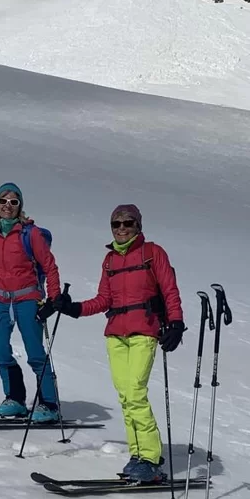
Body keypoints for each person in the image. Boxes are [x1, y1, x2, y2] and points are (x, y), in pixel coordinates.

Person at [49, 204, 185, 483]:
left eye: (128, 223)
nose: (122, 228)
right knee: (125, 396)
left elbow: (170, 290)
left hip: (144, 332)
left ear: (138, 225)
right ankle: (137, 455)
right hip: (115, 335)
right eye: (116, 224)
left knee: (135, 392)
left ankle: (150, 458)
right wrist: (73, 308)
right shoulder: (110, 260)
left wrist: (176, 324)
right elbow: (104, 300)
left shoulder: (152, 253)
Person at [0, 182, 62, 421]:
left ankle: (49, 404)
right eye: (3, 201)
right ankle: (15, 399)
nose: (8, 206)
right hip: (0, 299)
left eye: (13, 202)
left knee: (35, 352)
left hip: (27, 299)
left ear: (20, 205)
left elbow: (50, 266)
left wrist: (53, 298)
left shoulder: (30, 233)